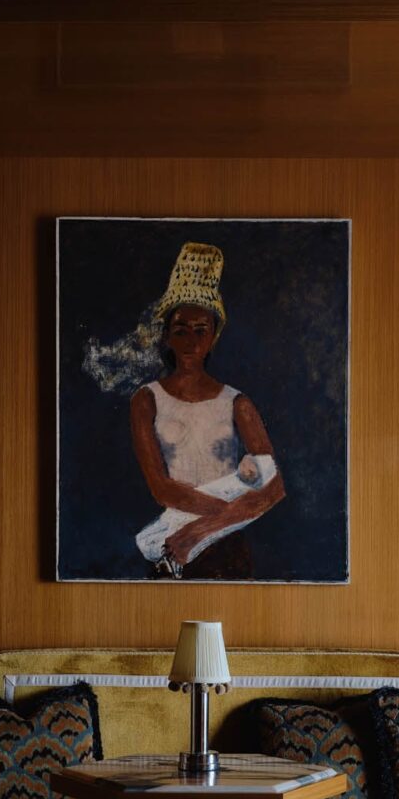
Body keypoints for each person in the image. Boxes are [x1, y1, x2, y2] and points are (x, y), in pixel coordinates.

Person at [129, 245, 285, 579]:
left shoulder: (237, 403)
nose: (190, 341)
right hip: (171, 545)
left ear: (213, 336)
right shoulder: (147, 400)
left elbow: (274, 486)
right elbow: (161, 488)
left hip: (226, 545)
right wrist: (228, 512)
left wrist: (202, 531)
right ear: (167, 335)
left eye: (201, 330)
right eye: (181, 329)